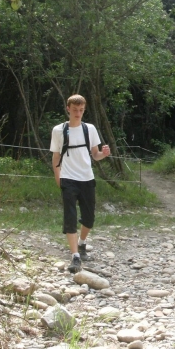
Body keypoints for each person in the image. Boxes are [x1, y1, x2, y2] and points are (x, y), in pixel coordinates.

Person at [50, 94, 111, 273]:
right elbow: (55, 156)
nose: (78, 113)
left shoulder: (89, 129)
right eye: (75, 110)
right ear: (68, 109)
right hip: (68, 178)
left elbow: (95, 155)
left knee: (89, 218)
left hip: (87, 178)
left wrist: (104, 154)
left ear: (84, 109)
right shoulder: (59, 130)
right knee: (69, 217)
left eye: (81, 110)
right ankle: (75, 256)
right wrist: (58, 178)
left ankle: (82, 243)